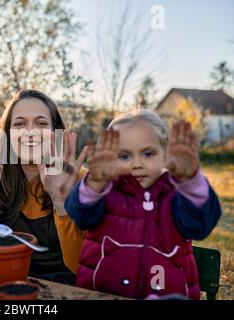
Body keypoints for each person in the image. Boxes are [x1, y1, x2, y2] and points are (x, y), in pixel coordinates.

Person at [64, 109, 222, 299]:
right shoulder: (106, 190)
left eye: (148, 153)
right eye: (124, 156)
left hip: (168, 293)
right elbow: (80, 216)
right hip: (103, 292)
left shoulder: (177, 193)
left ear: (165, 155)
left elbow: (200, 226)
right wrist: (94, 184)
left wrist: (192, 183)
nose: (137, 164)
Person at [0, 89, 87, 284]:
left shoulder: (81, 181)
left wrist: (61, 201)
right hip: (11, 287)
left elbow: (85, 267)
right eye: (19, 124)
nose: (30, 132)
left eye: (41, 123)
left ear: (56, 132)